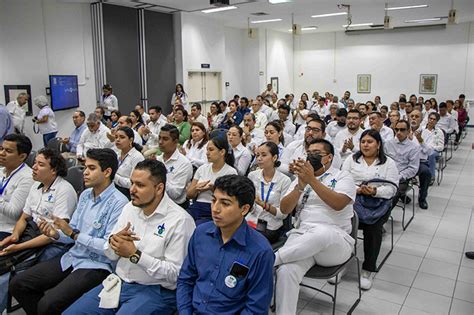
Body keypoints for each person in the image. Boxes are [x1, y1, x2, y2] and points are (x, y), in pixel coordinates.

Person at [64, 160, 195, 315]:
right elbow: (110, 254)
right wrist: (113, 244)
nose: (132, 189)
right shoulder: (130, 208)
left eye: (140, 185)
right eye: (132, 183)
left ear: (159, 188)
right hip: (119, 282)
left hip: (155, 291)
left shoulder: (180, 221)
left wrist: (135, 255)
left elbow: (176, 274)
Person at [9, 148, 128, 315]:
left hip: (97, 265)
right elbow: (70, 232)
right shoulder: (86, 195)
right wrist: (55, 234)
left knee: (48, 304)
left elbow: (108, 248)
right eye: (85, 167)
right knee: (18, 284)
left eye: (91, 168)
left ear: (107, 172)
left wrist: (74, 234)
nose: (85, 172)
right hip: (72, 256)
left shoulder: (119, 203)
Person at [274, 139, 356, 315]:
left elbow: (338, 203)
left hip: (335, 242)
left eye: (316, 153)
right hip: (303, 239)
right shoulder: (300, 179)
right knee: (286, 271)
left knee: (323, 232)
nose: (311, 156)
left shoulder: (342, 176)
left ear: (328, 158)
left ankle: (269, 260)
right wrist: (301, 186)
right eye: (309, 152)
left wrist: (312, 180)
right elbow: (285, 209)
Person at [177, 175, 274, 314]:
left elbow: (256, 307)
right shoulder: (201, 233)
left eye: (225, 203)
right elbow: (186, 280)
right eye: (214, 200)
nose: (215, 209)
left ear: (244, 209)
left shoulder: (260, 251)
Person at [0, 148, 77, 313]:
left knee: (11, 268)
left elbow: (53, 235)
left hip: (54, 244)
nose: (34, 167)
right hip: (31, 234)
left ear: (54, 170)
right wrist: (15, 235)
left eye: (40, 164)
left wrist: (19, 247)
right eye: (35, 163)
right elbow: (23, 217)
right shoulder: (36, 186)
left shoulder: (64, 190)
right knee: (4, 256)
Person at [341, 130, 398, 289]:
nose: (365, 145)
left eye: (370, 142)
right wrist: (356, 189)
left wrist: (375, 191)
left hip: (377, 204)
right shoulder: (352, 160)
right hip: (353, 199)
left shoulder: (388, 163)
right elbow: (342, 180)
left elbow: (393, 189)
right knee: (343, 223)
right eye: (363, 141)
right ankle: (342, 262)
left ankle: (368, 269)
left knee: (373, 229)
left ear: (378, 144)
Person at [186, 136, 237, 225]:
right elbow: (189, 194)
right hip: (197, 206)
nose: (207, 153)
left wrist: (212, 189)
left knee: (199, 225)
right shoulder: (202, 169)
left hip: (215, 209)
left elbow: (230, 198)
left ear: (222, 152)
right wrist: (196, 188)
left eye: (211, 150)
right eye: (207, 150)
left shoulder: (231, 172)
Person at [247, 142, 291, 243]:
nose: (259, 158)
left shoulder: (284, 180)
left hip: (270, 226)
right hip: (251, 221)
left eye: (264, 155)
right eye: (257, 155)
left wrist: (264, 205)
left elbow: (283, 214)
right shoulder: (252, 175)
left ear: (274, 157)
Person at [0, 134, 34, 239]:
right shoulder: (1, 171)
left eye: (8, 151)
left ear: (22, 156)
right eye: (1, 149)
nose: (1, 153)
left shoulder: (27, 178)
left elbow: (14, 212)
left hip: (7, 230)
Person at [156, 124, 193, 209]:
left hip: (176, 207)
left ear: (176, 141)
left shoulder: (184, 163)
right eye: (159, 138)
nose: (160, 142)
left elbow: (175, 194)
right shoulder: (158, 160)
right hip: (157, 204)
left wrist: (157, 177)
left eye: (165, 139)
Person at [384, 120, 420, 206]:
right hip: (385, 173)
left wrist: (398, 176)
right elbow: (383, 160)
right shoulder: (388, 144)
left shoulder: (414, 147)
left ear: (408, 131)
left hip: (401, 177)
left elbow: (413, 168)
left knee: (394, 193)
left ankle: (382, 216)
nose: (399, 132)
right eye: (397, 129)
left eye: (402, 130)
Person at [408, 110, 434, 209]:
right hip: (405, 162)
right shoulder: (403, 130)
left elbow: (429, 152)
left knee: (426, 173)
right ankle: (401, 195)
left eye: (416, 116)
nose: (414, 118)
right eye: (412, 116)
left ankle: (422, 198)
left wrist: (420, 140)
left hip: (420, 162)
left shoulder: (427, 133)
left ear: (422, 119)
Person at [113, 127, 145, 199]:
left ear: (131, 140)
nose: (117, 140)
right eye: (116, 137)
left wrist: (114, 176)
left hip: (128, 194)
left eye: (122, 137)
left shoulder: (137, 157)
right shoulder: (117, 153)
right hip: (114, 189)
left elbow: (133, 183)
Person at [423, 112, 445, 184]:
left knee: (431, 155)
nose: (432, 120)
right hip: (422, 150)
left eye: (434, 119)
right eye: (430, 118)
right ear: (428, 119)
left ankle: (432, 176)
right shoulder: (422, 129)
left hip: (434, 151)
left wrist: (432, 148)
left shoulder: (439, 132)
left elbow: (441, 147)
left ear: (436, 121)